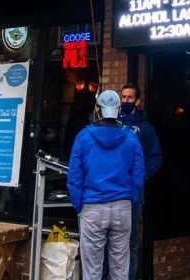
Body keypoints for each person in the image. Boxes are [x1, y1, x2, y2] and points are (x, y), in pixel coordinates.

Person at [69, 90, 144, 280]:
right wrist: (131, 199)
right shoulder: (131, 137)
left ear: (97, 109)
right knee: (120, 269)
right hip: (122, 207)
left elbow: (75, 177)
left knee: (92, 270)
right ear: (119, 109)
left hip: (92, 207)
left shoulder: (83, 137)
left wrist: (79, 204)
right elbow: (138, 174)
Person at [116, 83, 162, 280]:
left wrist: (141, 175)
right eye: (123, 97)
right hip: (110, 190)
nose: (126, 100)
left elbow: (155, 157)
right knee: (111, 239)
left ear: (137, 101)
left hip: (133, 192)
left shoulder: (145, 128)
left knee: (129, 239)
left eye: (129, 97)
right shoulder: (111, 124)